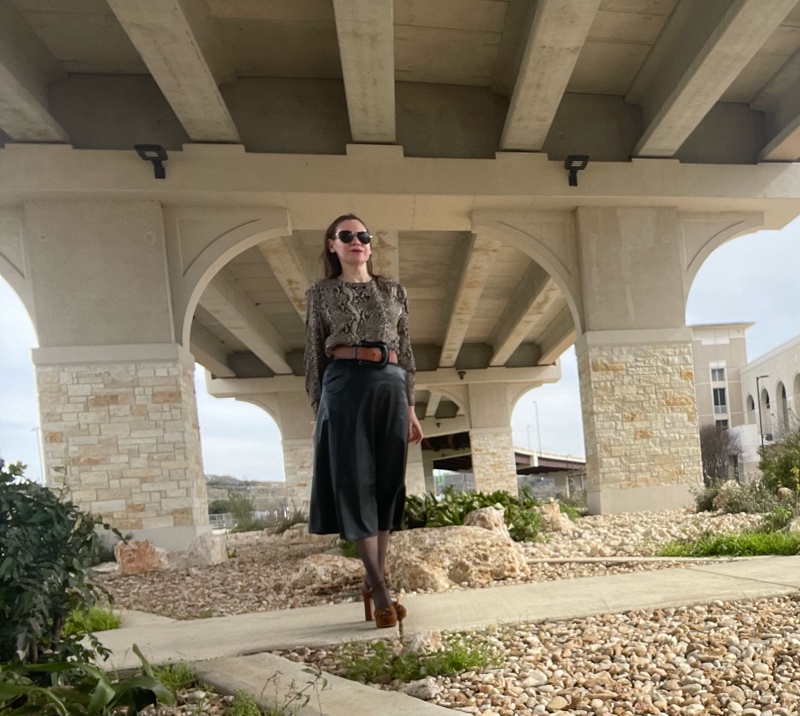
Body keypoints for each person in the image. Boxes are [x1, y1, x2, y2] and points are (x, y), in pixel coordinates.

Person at [304, 213, 423, 629]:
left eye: (363, 235)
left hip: (391, 385)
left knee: (387, 486)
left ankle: (374, 585)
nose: (357, 241)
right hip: (344, 385)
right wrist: (320, 409)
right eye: (347, 235)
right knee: (356, 484)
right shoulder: (321, 293)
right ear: (332, 245)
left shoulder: (394, 290)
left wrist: (410, 406)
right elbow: (314, 354)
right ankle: (381, 588)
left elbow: (406, 351)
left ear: (370, 246)